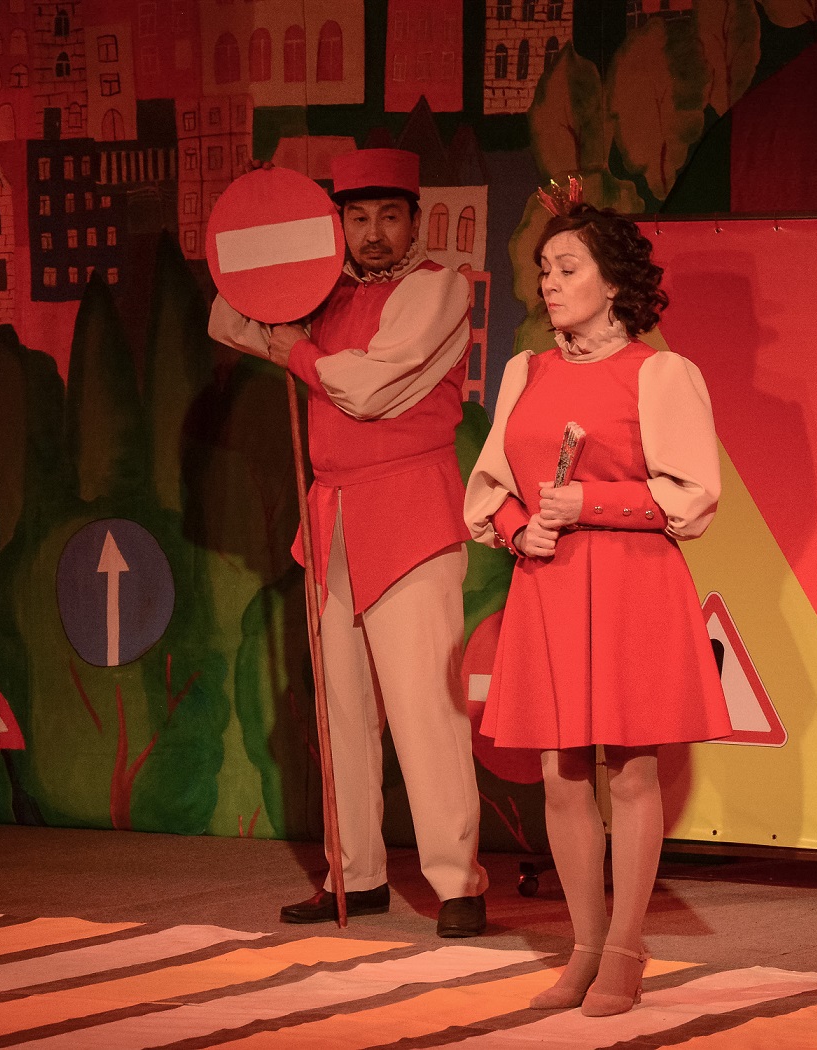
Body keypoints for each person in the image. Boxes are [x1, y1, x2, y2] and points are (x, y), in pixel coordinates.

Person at [209, 147, 488, 937]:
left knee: (425, 711)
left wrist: (294, 348)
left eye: (388, 217)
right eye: (356, 218)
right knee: (342, 714)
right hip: (331, 519)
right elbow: (226, 316)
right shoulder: (322, 295)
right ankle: (355, 875)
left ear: (414, 220)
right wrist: (267, 221)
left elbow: (366, 388)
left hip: (408, 516)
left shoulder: (436, 288)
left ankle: (457, 883)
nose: (373, 234)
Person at [465, 201, 731, 1015]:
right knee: (561, 773)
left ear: (613, 283)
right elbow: (490, 487)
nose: (549, 283)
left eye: (568, 268)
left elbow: (693, 496)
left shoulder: (659, 374)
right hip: (548, 584)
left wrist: (592, 503)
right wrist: (519, 530)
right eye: (544, 270)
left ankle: (625, 946)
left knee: (632, 771)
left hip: (629, 582)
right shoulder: (526, 371)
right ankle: (584, 945)